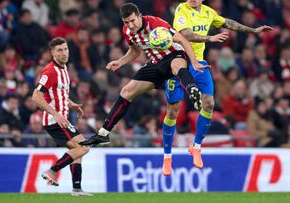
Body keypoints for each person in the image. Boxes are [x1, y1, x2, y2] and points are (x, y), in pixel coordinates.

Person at [161, 0, 273, 176]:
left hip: (198, 64)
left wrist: (253, 30)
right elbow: (185, 35)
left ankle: (196, 147)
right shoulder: (181, 9)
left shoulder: (208, 12)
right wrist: (210, 38)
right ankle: (167, 157)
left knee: (209, 103)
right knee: (173, 111)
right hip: (178, 63)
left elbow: (228, 23)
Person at [79, 3, 207, 146]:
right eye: (126, 22)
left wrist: (194, 62)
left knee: (176, 66)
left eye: (133, 21)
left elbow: (182, 40)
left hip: (174, 55)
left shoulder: (156, 24)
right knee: (126, 92)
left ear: (139, 16)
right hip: (156, 62)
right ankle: (103, 134)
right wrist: (121, 61)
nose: (130, 25)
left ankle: (193, 91)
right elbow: (135, 51)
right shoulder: (127, 31)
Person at [31, 37, 92, 196]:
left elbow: (58, 93)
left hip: (62, 118)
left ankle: (77, 189)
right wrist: (56, 114)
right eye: (59, 50)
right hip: (54, 120)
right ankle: (52, 170)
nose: (64, 53)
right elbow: (36, 96)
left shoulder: (64, 69)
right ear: (52, 53)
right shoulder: (50, 71)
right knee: (83, 147)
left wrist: (70, 104)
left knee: (79, 150)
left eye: (65, 49)